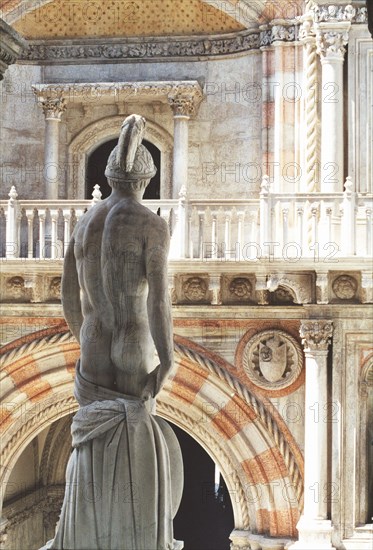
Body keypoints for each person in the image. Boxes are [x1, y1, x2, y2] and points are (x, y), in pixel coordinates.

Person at [42, 115, 183, 550]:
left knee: (95, 451)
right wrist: (169, 356)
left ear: (110, 175)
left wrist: (83, 333)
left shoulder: (85, 223)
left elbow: (67, 296)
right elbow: (158, 301)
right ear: (145, 178)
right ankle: (132, 536)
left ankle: (89, 534)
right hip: (133, 342)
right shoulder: (150, 223)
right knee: (132, 444)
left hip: (93, 345)